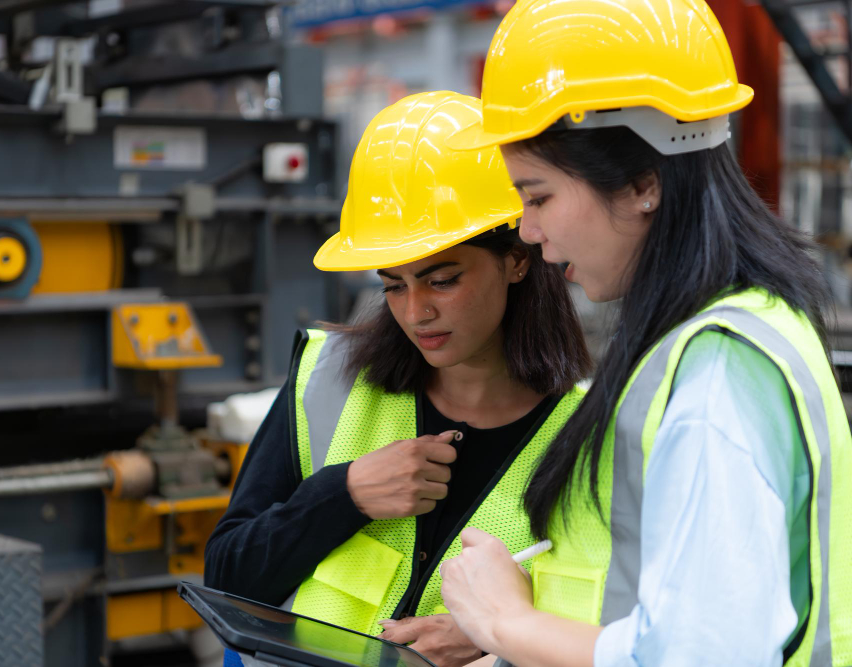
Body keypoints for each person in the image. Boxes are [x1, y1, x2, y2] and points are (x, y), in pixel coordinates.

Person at [438, 1, 852, 665]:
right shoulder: (732, 330)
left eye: (539, 195)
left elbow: (704, 654)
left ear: (644, 183)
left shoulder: (714, 379)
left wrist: (506, 621)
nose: (526, 230)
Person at [203, 90, 592, 667]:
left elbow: (616, 625)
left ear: (517, 259)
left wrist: (504, 631)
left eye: (441, 280)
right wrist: (342, 495)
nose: (414, 313)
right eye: (393, 284)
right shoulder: (328, 382)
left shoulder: (589, 434)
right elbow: (228, 576)